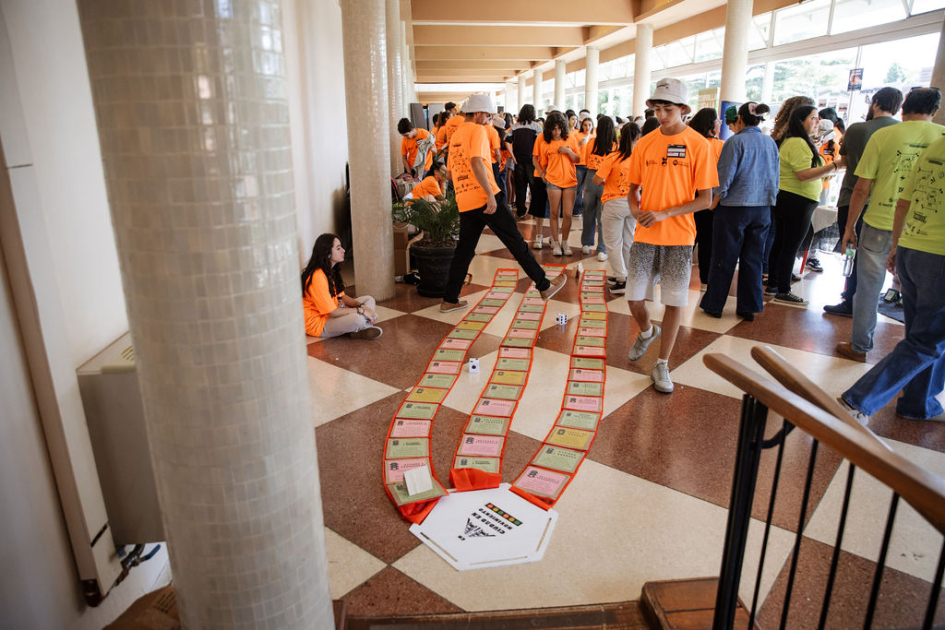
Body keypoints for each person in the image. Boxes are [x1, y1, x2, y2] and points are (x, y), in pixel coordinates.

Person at [839, 133, 945, 422]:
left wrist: (898, 246)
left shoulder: (936, 146)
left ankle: (918, 403)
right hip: (939, 256)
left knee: (921, 336)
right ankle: (857, 400)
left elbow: (904, 203)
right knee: (928, 340)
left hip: (913, 248)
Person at [835, 87, 943, 362]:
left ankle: (860, 346)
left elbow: (861, 188)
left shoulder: (884, 135)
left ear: (904, 107)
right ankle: (916, 357)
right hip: (921, 232)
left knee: (868, 288)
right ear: (935, 111)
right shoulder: (940, 137)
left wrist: (850, 228)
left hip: (879, 221)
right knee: (922, 302)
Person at [625, 78, 718, 394]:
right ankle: (646, 330)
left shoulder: (699, 145)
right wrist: (636, 209)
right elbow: (632, 189)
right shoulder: (646, 143)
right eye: (658, 108)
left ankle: (662, 363)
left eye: (668, 108)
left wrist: (665, 212)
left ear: (683, 109)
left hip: (679, 236)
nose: (662, 114)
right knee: (634, 297)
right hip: (645, 233)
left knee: (674, 301)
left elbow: (705, 199)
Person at [440, 93, 566, 312]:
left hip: (465, 199)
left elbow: (450, 173)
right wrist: (489, 194)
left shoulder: (456, 134)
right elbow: (477, 162)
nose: (489, 120)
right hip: (486, 197)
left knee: (465, 250)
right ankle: (544, 285)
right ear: (478, 114)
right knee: (515, 241)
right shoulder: (477, 130)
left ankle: (449, 299)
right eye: (487, 116)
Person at [824, 87, 904, 318]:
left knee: (851, 250)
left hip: (852, 198)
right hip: (885, 203)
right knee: (877, 259)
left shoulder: (857, 129)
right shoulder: (899, 131)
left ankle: (850, 300)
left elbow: (846, 161)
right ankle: (867, 302)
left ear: (875, 102)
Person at [699, 102, 779, 321]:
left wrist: (713, 203)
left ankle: (714, 304)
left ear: (741, 119)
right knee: (753, 258)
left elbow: (723, 179)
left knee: (724, 257)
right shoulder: (770, 142)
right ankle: (749, 307)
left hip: (734, 209)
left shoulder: (735, 142)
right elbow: (775, 178)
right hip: (763, 208)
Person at [765, 105, 842, 304]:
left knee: (782, 243)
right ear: (801, 121)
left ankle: (774, 284)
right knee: (789, 244)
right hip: (797, 199)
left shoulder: (796, 141)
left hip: (791, 197)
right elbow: (803, 174)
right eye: (813, 118)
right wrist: (834, 166)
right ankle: (783, 288)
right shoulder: (798, 142)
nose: (817, 122)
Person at [301, 234, 381, 340]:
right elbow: (332, 312)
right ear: (327, 254)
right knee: (359, 319)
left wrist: (361, 306)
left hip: (335, 311)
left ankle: (357, 328)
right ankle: (360, 326)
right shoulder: (317, 276)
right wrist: (361, 311)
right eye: (338, 248)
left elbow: (342, 297)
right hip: (320, 323)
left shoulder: (330, 270)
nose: (343, 250)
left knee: (368, 299)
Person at [595, 122, 641, 295]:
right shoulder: (640, 158)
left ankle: (621, 278)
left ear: (620, 136)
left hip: (614, 202)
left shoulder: (613, 157)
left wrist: (609, 180)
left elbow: (597, 179)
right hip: (633, 203)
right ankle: (627, 275)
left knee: (613, 243)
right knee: (628, 240)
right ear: (638, 136)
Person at [688, 108, 725, 290]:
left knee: (687, 237)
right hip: (709, 196)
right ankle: (705, 280)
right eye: (717, 120)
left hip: (688, 195)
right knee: (707, 240)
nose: (720, 123)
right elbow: (723, 175)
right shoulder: (720, 146)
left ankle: (678, 274)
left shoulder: (690, 143)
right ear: (710, 125)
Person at [535, 111, 581, 256]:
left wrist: (568, 151)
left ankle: (565, 241)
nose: (557, 132)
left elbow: (578, 159)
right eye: (554, 129)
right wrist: (543, 175)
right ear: (549, 129)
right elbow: (543, 163)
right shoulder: (544, 144)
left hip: (570, 180)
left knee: (567, 214)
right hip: (553, 181)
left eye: (559, 128)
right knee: (554, 213)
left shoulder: (571, 140)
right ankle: (555, 242)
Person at [582, 116, 616, 262]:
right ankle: (602, 248)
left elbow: (585, 160)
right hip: (607, 180)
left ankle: (586, 243)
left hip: (591, 177)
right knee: (603, 215)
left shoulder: (591, 143)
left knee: (588, 211)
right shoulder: (615, 146)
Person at [510, 104, 545, 221]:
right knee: (534, 187)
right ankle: (535, 211)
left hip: (518, 160)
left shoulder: (515, 127)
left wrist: (513, 155)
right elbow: (540, 143)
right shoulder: (537, 126)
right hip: (532, 161)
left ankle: (521, 211)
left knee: (520, 187)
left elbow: (507, 140)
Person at [573, 116, 594, 221]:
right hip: (579, 164)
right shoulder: (577, 135)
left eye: (589, 125)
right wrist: (579, 144)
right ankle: (576, 208)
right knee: (578, 188)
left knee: (589, 188)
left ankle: (587, 209)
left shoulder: (594, 136)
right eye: (585, 125)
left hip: (590, 164)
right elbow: (573, 149)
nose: (587, 127)